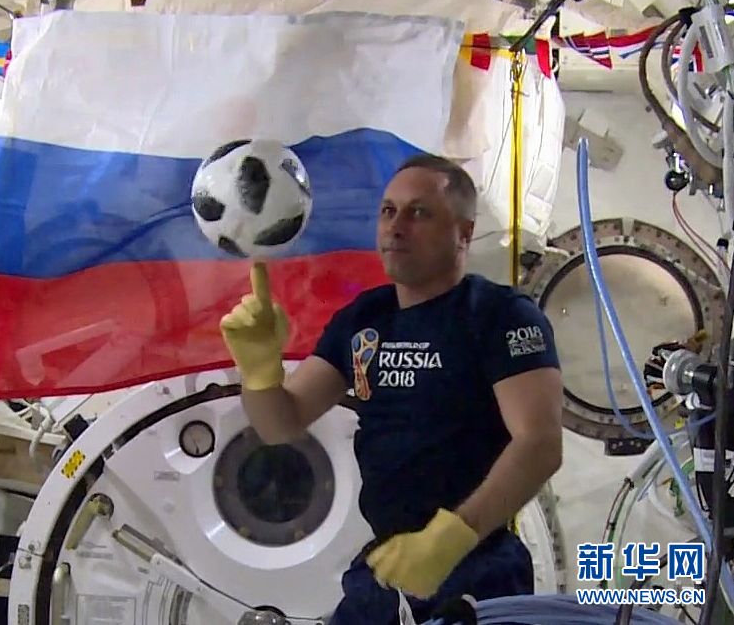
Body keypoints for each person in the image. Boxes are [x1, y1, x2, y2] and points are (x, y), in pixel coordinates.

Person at [219, 153, 564, 624]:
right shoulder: (366, 318)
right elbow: (281, 424)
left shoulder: (500, 315)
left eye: (419, 212)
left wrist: (452, 538)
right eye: (388, 211)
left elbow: (540, 443)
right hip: (387, 566)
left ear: (464, 233)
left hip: (478, 565)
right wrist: (259, 371)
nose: (396, 227)